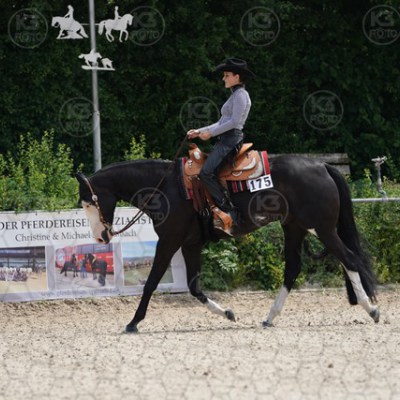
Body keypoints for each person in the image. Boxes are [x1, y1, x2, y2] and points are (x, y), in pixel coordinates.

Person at [187, 57, 254, 235]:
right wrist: (199, 131)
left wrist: (211, 134)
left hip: (231, 140)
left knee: (206, 172)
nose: (223, 78)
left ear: (237, 77)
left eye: (227, 75)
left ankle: (229, 212)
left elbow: (234, 122)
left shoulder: (241, 95)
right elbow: (221, 122)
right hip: (226, 139)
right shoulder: (235, 95)